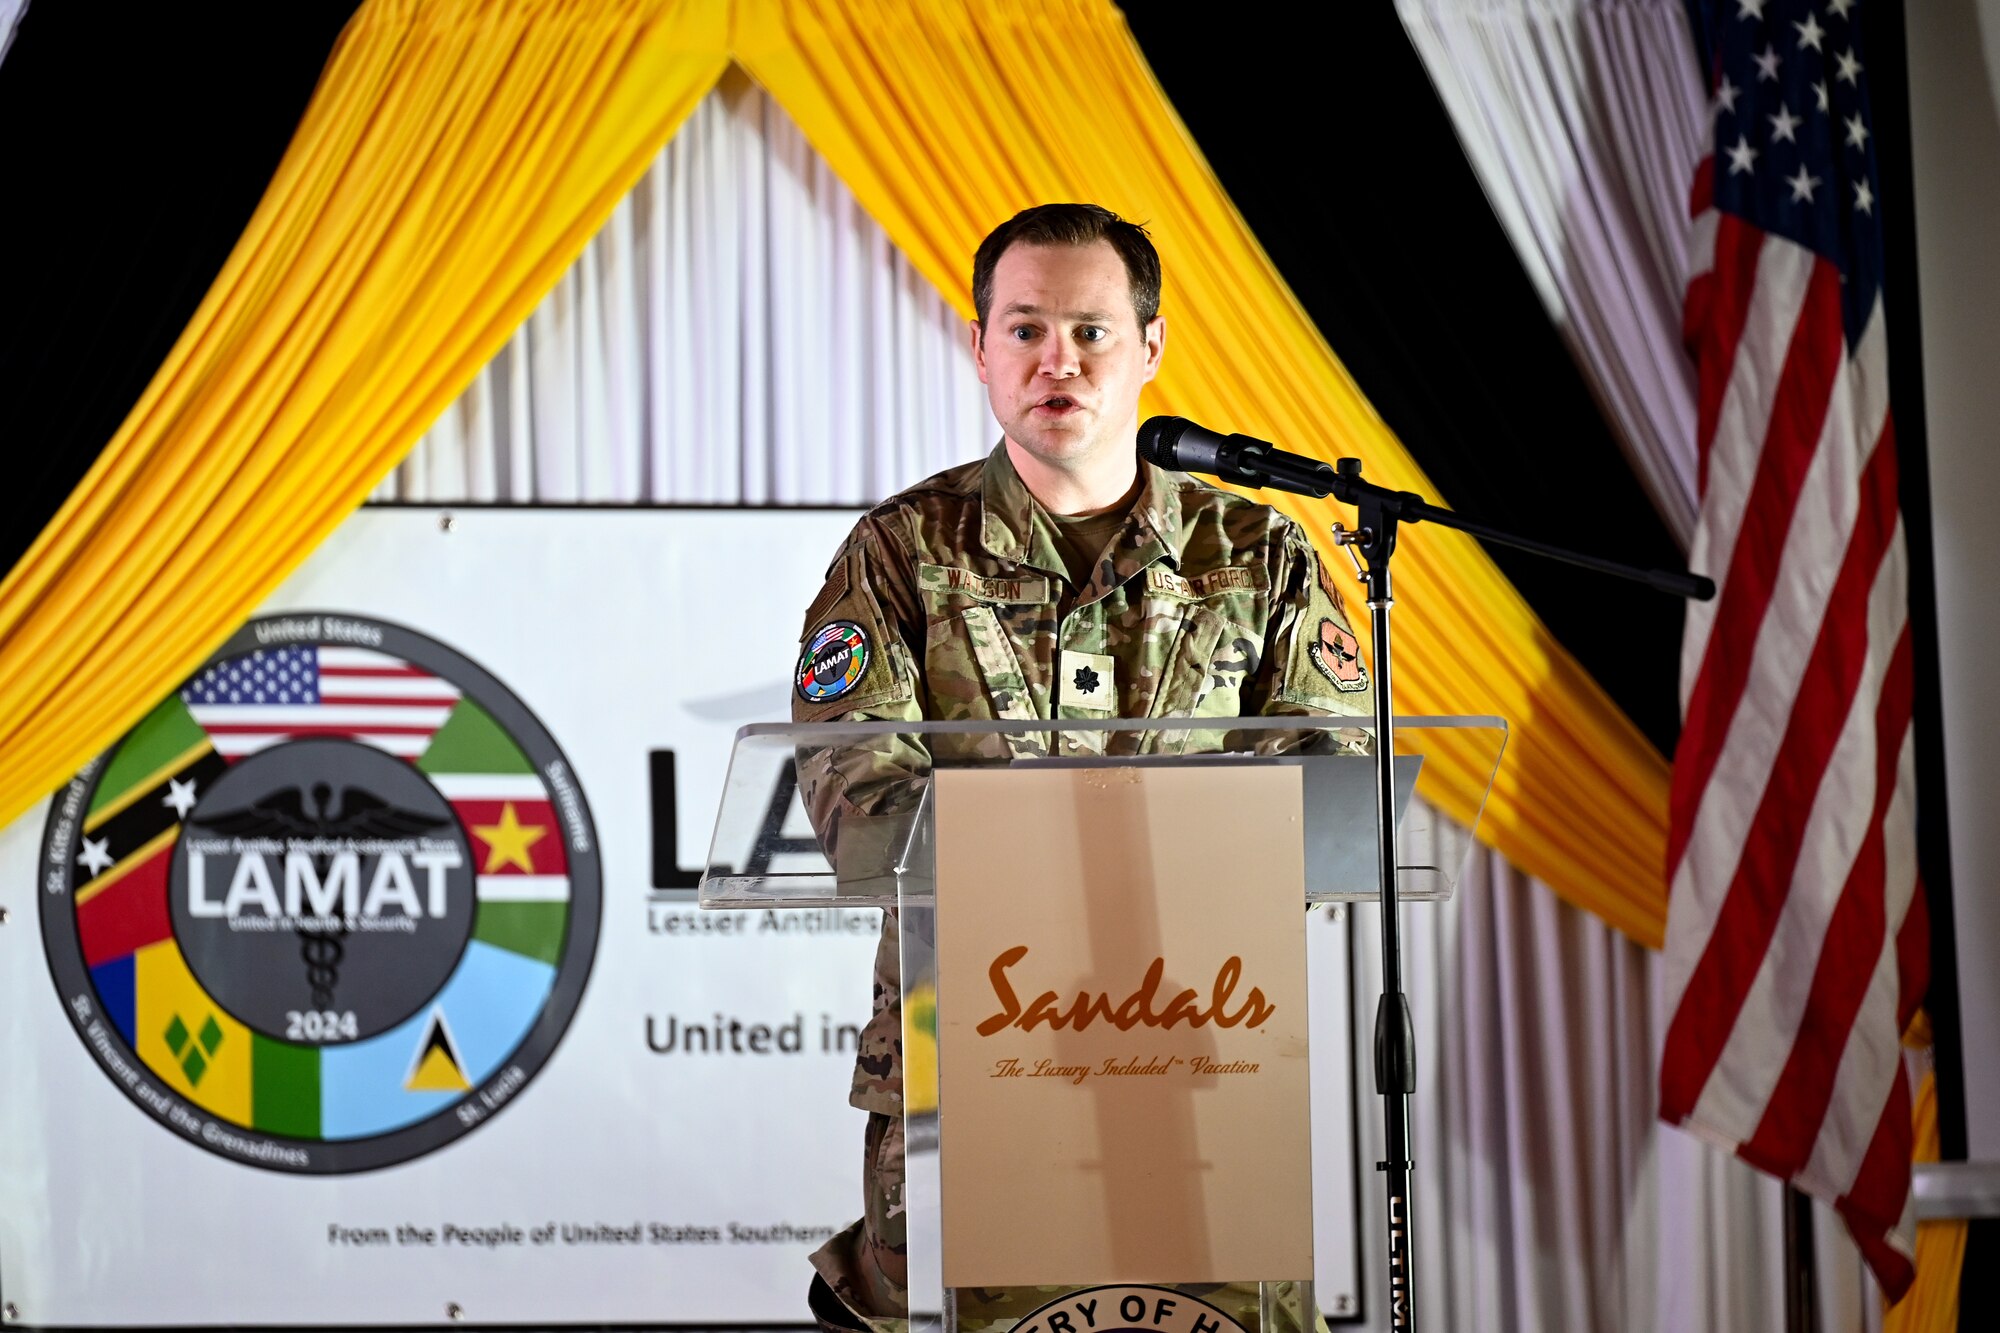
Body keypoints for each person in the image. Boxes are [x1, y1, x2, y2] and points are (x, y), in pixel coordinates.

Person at [792, 203, 1371, 1333]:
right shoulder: (900, 553)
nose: (1056, 360)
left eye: (1090, 331)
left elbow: (1332, 793)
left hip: (1205, 1059)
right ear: (980, 348)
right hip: (969, 1063)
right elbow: (858, 800)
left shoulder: (1260, 557)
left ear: (1150, 347)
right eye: (1024, 329)